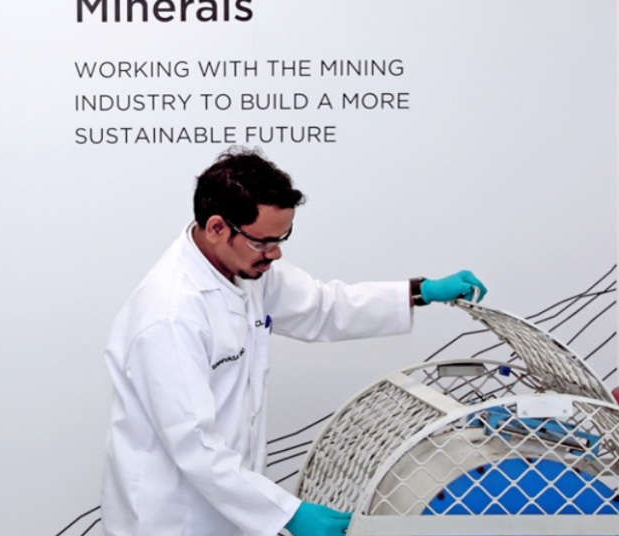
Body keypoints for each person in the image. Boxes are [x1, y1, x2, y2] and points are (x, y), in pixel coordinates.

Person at [100, 146, 486, 536]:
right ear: (217, 228)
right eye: (263, 242)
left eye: (282, 237)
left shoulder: (245, 269)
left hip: (228, 505)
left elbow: (323, 306)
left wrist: (420, 292)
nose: (276, 253)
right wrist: (287, 513)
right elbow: (194, 443)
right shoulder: (170, 316)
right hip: (172, 517)